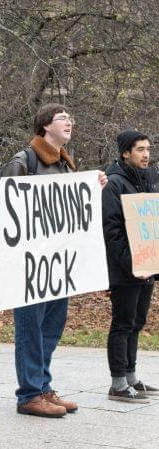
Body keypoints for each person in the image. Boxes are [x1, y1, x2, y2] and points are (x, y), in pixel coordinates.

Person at [2, 103, 107, 418]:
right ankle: (29, 394)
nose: (69, 123)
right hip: (31, 264)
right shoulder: (24, 161)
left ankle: (43, 386)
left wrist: (92, 188)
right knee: (30, 329)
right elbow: (4, 204)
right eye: (63, 118)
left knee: (51, 326)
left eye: (71, 118)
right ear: (45, 126)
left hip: (58, 263)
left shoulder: (66, 165)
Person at [102, 129, 159, 403]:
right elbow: (112, 231)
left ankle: (132, 376)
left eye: (148, 148)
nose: (146, 154)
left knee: (137, 322)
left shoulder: (150, 179)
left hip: (147, 264)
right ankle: (117, 383)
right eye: (140, 149)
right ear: (126, 153)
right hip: (126, 269)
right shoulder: (114, 183)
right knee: (123, 323)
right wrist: (133, 264)